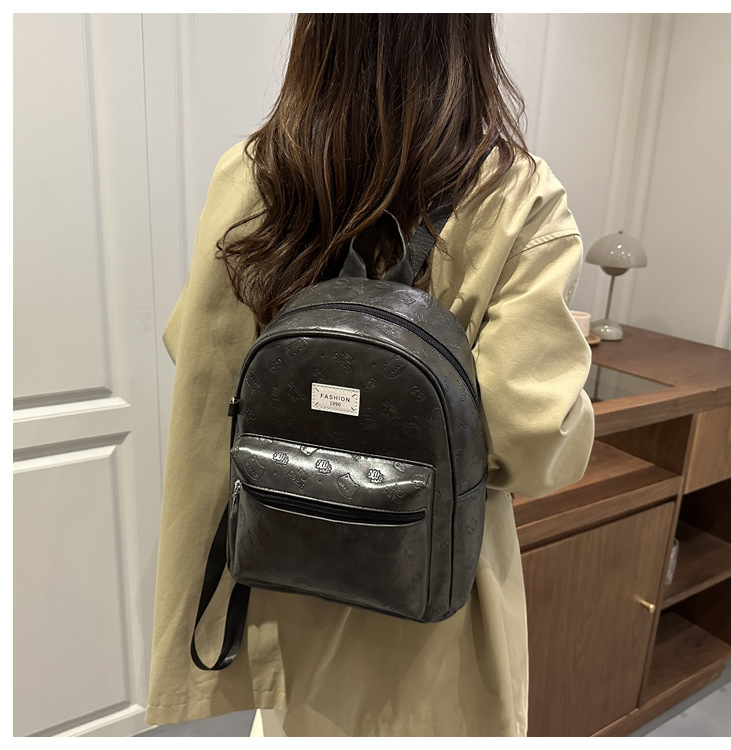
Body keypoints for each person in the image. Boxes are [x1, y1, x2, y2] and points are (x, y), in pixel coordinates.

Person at [146, 13, 594, 737]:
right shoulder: (515, 195)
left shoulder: (252, 173)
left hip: (278, 574)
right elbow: (529, 438)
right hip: (423, 614)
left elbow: (195, 353)